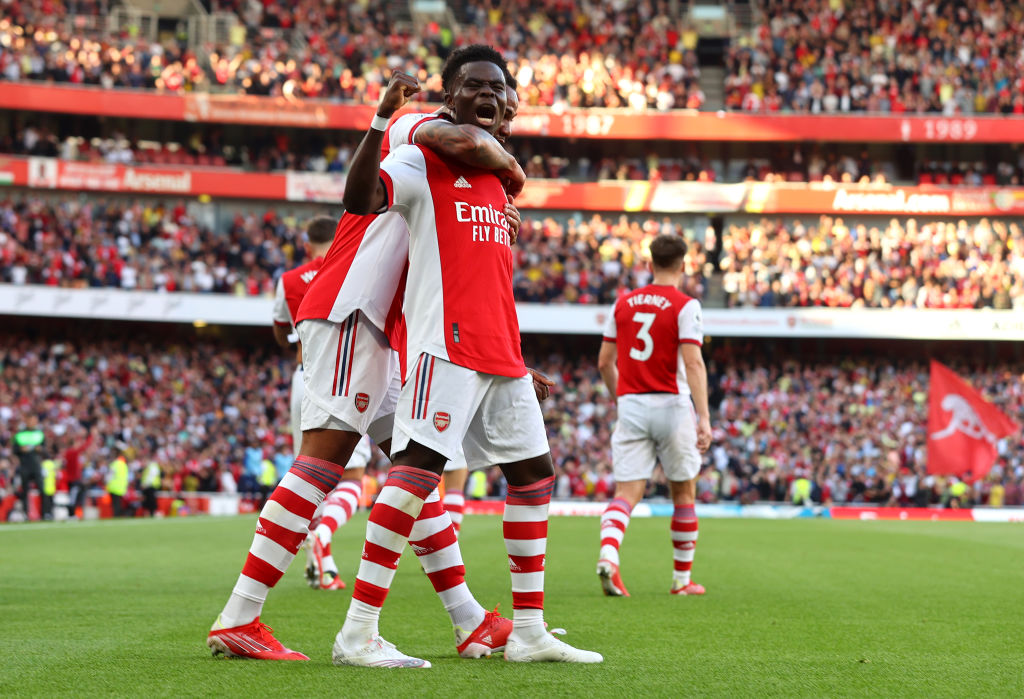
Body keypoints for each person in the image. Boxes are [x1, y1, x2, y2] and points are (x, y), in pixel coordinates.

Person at [206, 49, 528, 664]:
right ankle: (240, 615)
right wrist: (512, 169)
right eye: (482, 97)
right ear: (451, 95)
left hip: (378, 323)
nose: (498, 115)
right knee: (324, 462)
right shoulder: (421, 131)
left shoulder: (460, 167)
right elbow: (449, 138)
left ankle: (469, 620)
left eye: (506, 101)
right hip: (352, 305)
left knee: (416, 476)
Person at [335, 46, 602, 666]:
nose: (488, 95)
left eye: (498, 88)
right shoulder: (423, 158)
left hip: (499, 353)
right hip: (444, 348)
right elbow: (359, 198)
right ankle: (357, 632)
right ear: (449, 97)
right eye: (474, 86)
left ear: (511, 102)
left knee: (535, 478)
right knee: (412, 479)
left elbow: (490, 280)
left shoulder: (495, 179)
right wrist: (377, 124)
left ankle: (530, 631)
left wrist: (518, 358)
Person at [595, 234, 713, 597]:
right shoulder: (685, 305)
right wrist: (704, 417)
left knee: (627, 492)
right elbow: (693, 362)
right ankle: (681, 581)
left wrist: (623, 398)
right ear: (684, 265)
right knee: (683, 491)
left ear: (649, 265)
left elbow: (604, 363)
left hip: (632, 402)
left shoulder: (623, 303)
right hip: (672, 404)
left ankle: (608, 555)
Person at [271, 214, 372, 590]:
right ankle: (323, 537)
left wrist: (296, 341)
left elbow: (281, 330)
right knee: (352, 477)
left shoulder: (289, 280)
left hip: (304, 378)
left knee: (312, 474)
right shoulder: (354, 267)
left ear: (306, 244)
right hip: (347, 378)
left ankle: (323, 567)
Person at [13, 415, 45, 521]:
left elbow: (45, 450)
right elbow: (15, 450)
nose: (33, 423)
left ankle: (45, 513)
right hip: (24, 465)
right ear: (27, 421)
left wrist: (40, 449)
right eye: (31, 420)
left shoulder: (39, 434)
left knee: (42, 489)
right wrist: (21, 450)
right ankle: (26, 514)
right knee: (25, 491)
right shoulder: (20, 434)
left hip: (36, 465)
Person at [106, 448, 130, 518]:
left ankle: (116, 516)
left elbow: (109, 476)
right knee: (119, 503)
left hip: (114, 487)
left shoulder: (114, 464)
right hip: (122, 487)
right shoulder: (124, 465)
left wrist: (106, 483)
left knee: (115, 504)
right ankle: (119, 515)